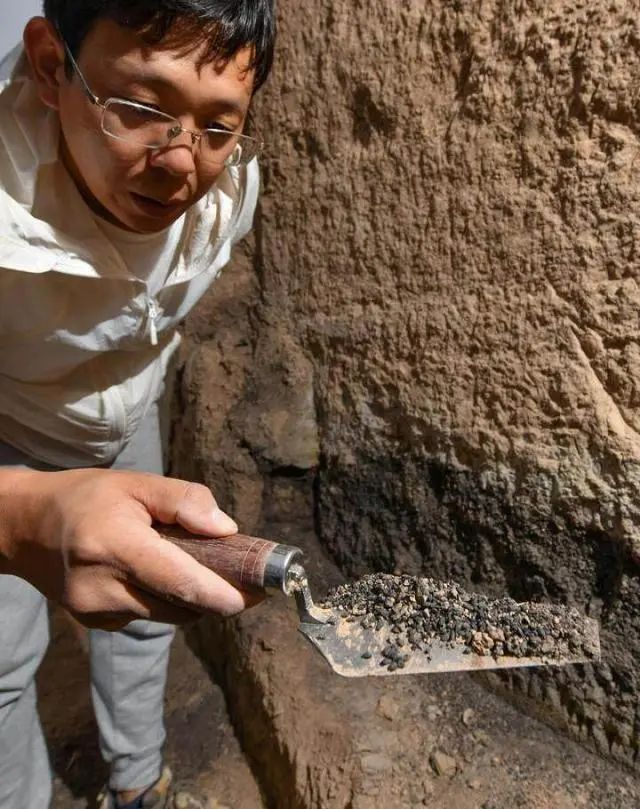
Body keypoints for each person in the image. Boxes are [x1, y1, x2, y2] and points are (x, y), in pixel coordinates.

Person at [0, 1, 276, 807]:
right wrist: (21, 516)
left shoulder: (230, 183)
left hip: (127, 416)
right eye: (141, 107)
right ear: (51, 66)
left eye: (217, 126)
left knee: (152, 602)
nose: (179, 164)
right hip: (8, 428)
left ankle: (137, 781)